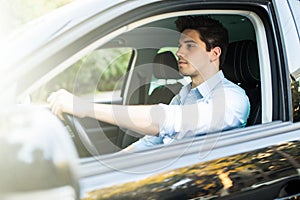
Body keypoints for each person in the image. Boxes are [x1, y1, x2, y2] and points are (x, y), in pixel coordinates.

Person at [48, 15, 250, 152]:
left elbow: (165, 120)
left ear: (214, 53)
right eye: (180, 46)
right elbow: (153, 140)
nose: (179, 52)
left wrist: (85, 108)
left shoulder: (233, 100)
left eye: (190, 46)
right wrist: (112, 164)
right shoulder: (184, 93)